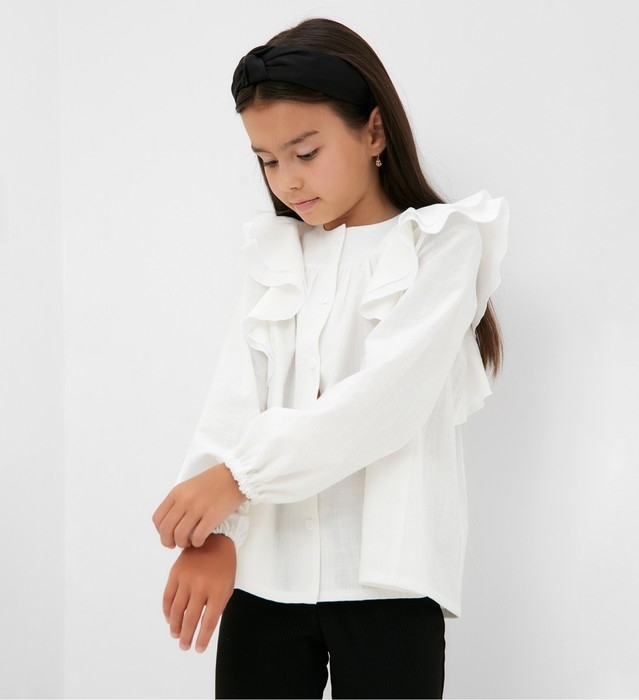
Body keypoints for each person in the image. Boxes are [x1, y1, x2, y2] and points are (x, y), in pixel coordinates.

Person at [152, 16, 508, 699]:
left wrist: (237, 479)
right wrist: (212, 533)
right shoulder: (277, 252)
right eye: (266, 160)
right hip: (265, 574)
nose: (286, 180)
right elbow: (236, 392)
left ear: (374, 132)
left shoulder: (443, 245)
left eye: (305, 152)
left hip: (388, 582)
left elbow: (385, 402)